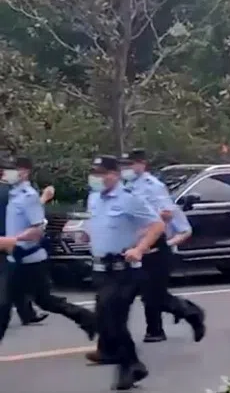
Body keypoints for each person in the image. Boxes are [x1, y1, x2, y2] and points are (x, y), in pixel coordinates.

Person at [85, 155, 166, 390]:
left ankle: (129, 367)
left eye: (102, 174)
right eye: (95, 173)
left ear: (115, 174)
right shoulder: (93, 199)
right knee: (105, 320)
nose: (97, 178)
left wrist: (140, 248)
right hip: (101, 268)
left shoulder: (129, 199)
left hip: (124, 270)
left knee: (113, 318)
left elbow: (157, 225)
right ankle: (130, 363)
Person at [0, 156, 96, 342]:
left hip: (31, 260)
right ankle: (86, 318)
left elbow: (37, 229)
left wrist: (13, 239)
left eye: (12, 170)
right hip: (15, 259)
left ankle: (87, 318)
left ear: (24, 172)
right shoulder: (12, 194)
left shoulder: (28, 196)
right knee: (8, 303)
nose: (7, 174)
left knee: (42, 301)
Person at [119, 149, 205, 344]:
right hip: (133, 246)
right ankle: (155, 328)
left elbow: (166, 214)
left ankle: (185, 315)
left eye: (130, 164)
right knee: (136, 293)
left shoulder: (153, 186)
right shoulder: (126, 185)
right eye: (125, 165)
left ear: (142, 164)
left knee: (152, 295)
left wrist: (149, 231)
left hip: (154, 247)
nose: (127, 169)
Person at [0, 166, 50, 327]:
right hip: (8, 240)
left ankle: (27, 313)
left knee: (12, 277)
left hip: (8, 240)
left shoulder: (9, 191)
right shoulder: (8, 191)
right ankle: (26, 313)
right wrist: (42, 199)